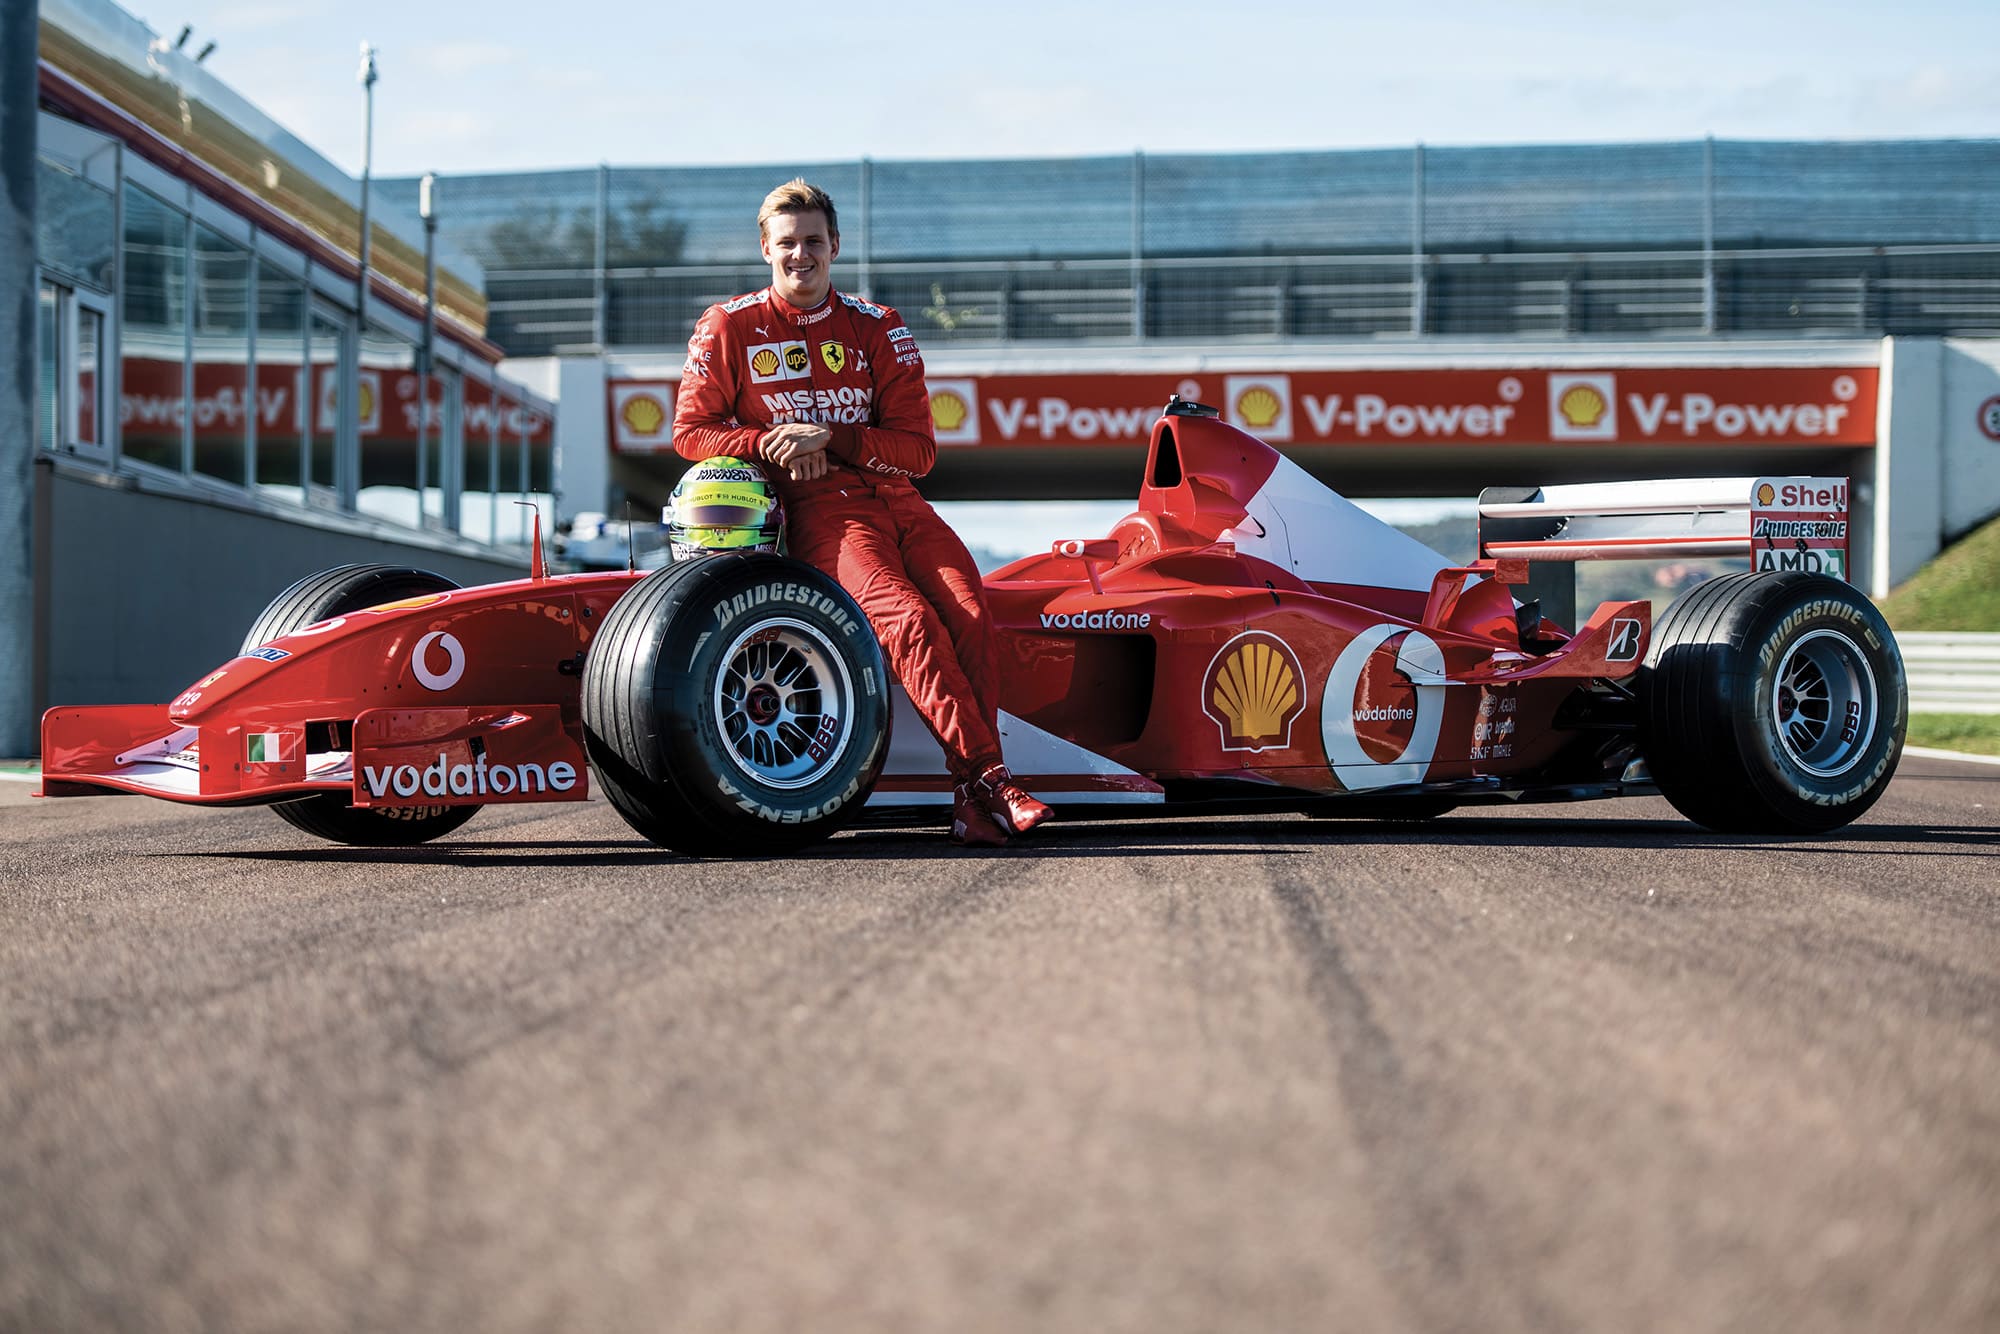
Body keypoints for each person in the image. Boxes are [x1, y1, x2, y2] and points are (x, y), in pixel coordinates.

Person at [672, 179, 1050, 848]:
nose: (800, 256)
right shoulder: (729, 324)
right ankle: (990, 780)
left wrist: (833, 437)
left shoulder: (879, 326)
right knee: (905, 619)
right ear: (765, 249)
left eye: (813, 242)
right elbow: (691, 432)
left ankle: (970, 801)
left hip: (898, 499)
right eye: (786, 243)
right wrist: (769, 443)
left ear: (835, 246)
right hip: (821, 511)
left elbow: (918, 451)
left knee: (968, 610)